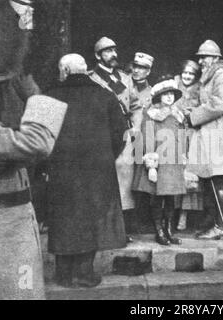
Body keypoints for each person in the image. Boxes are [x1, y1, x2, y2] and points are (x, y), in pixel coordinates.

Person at [0, 45, 67, 299]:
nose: (1, 94)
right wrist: (32, 95)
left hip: (6, 226)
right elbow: (38, 143)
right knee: (15, 291)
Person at [46, 54, 128, 288]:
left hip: (61, 171)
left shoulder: (51, 95)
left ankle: (63, 274)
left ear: (64, 70)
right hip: (97, 172)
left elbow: (40, 135)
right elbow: (121, 134)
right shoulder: (105, 96)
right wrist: (105, 157)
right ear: (85, 70)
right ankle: (84, 274)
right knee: (91, 218)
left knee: (63, 219)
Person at [184, 40, 223, 240]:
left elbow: (220, 104)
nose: (201, 60)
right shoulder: (210, 75)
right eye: (200, 57)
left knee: (220, 179)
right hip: (212, 132)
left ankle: (222, 226)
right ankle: (213, 221)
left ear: (216, 58)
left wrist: (194, 116)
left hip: (221, 133)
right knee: (211, 179)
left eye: (205, 57)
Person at [88, 37, 140, 242]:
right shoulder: (91, 79)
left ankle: (122, 231)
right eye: (107, 51)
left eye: (114, 50)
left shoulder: (125, 79)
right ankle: (103, 231)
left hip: (124, 134)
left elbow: (136, 105)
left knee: (125, 182)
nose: (113, 55)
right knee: (101, 181)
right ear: (98, 55)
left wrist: (135, 126)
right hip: (101, 134)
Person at [132, 75, 186, 245]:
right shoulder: (151, 115)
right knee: (157, 197)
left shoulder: (179, 115)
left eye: (172, 94)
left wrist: (183, 154)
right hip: (158, 160)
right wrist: (151, 164)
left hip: (173, 161)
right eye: (165, 94)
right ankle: (159, 231)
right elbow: (147, 138)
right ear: (159, 97)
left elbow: (183, 137)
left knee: (171, 197)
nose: (169, 97)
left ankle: (169, 230)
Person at [174, 60, 203, 231]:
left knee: (190, 174)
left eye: (191, 74)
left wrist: (192, 114)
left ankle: (185, 215)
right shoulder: (173, 85)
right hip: (174, 136)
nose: (187, 76)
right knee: (173, 173)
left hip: (192, 136)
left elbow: (205, 110)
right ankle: (170, 213)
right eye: (185, 73)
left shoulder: (200, 90)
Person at [130, 52, 154, 232]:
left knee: (141, 178)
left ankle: (142, 220)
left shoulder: (152, 93)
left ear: (149, 71)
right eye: (135, 66)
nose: (137, 71)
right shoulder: (124, 86)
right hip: (123, 136)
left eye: (142, 68)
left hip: (142, 138)